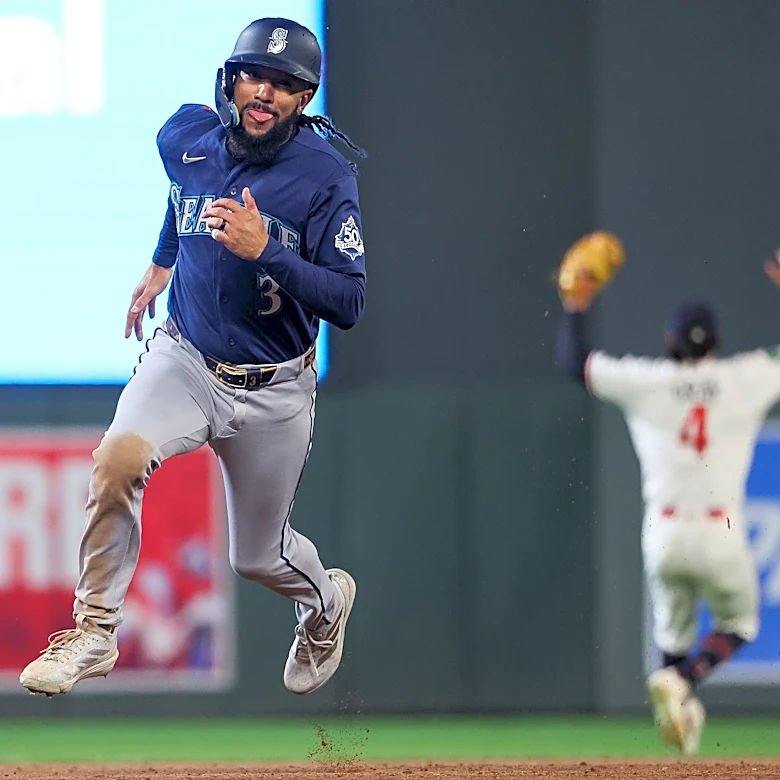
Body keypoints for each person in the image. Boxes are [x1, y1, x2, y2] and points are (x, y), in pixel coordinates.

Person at [20, 17, 367, 697]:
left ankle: (325, 603)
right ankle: (94, 630)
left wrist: (266, 249)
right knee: (119, 456)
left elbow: (350, 302)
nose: (265, 92)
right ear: (229, 81)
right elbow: (184, 192)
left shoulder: (325, 178)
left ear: (305, 100)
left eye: (285, 84)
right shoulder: (184, 137)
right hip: (186, 357)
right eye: (254, 76)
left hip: (274, 389)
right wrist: (162, 260)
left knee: (257, 558)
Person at [555, 255, 780, 755]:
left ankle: (679, 701)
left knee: (671, 641)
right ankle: (686, 681)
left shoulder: (648, 381)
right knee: (740, 624)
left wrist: (575, 305)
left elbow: (577, 362)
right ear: (716, 342)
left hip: (664, 534)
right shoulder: (744, 377)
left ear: (669, 341)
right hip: (721, 531)